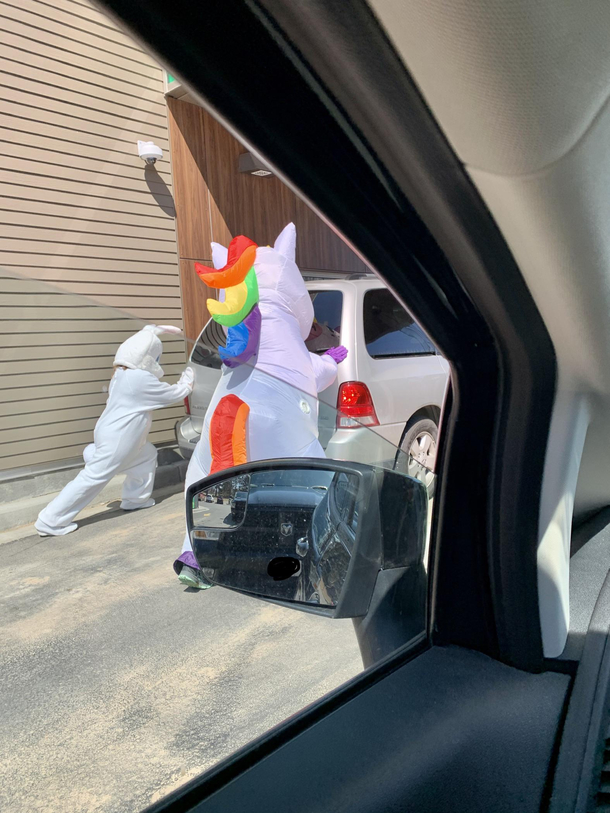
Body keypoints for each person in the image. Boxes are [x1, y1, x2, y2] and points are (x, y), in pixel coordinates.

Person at [174, 223, 348, 589]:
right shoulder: (284, 331)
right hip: (277, 425)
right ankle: (323, 548)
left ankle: (194, 552)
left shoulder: (240, 334)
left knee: (208, 475)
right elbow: (307, 375)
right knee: (316, 473)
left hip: (224, 418)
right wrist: (331, 360)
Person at [35, 325, 194, 537]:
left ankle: (135, 499)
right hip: (120, 437)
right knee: (94, 477)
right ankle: (50, 520)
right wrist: (189, 378)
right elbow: (171, 394)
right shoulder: (138, 379)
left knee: (146, 455)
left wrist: (154, 331)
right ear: (147, 357)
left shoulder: (121, 374)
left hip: (117, 434)